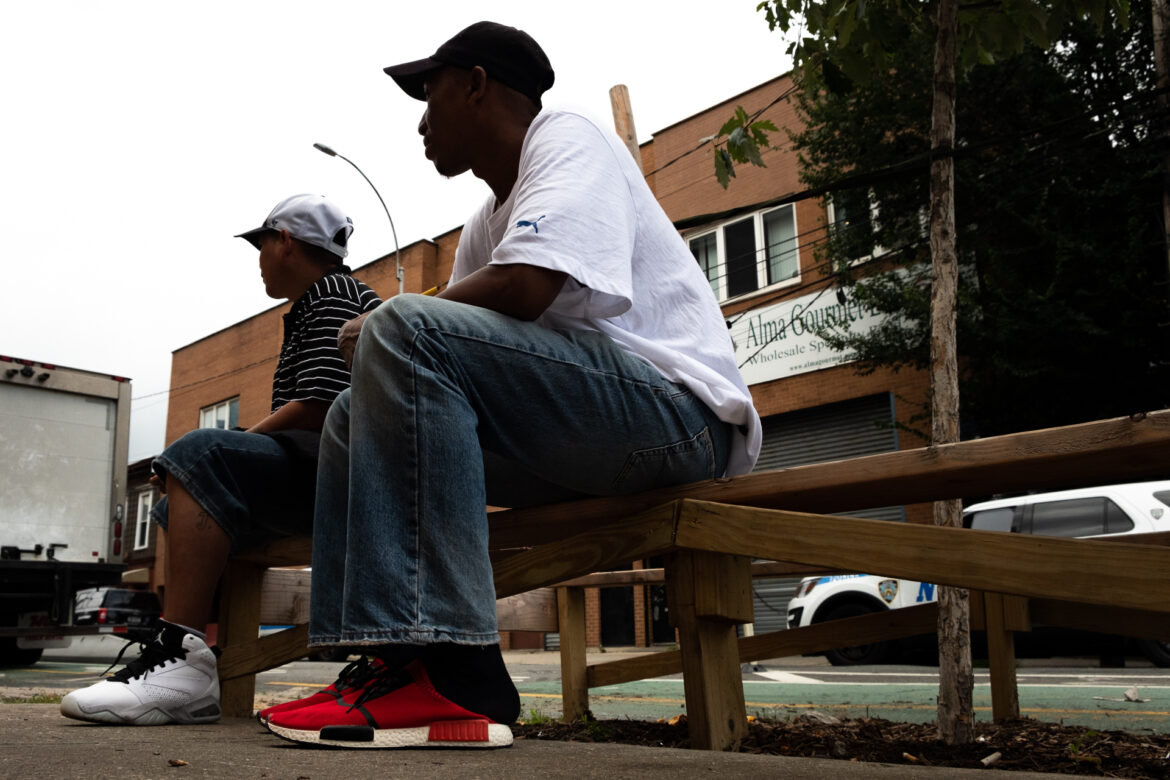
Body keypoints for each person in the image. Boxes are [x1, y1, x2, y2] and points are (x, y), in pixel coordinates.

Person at [262, 22, 762, 750]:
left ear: (476, 84)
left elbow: (527, 287)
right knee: (349, 412)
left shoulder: (569, 135)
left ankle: (462, 677)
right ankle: (394, 661)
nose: (421, 122)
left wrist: (388, 327)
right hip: (583, 438)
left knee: (402, 326)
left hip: (679, 420)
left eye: (429, 95)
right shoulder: (480, 227)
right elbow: (443, 357)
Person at [60, 194, 382, 726]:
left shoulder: (335, 292)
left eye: (260, 245)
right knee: (176, 502)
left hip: (342, 476)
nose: (257, 260)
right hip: (321, 474)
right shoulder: (315, 300)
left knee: (197, 453)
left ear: (284, 242)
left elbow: (319, 407)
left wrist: (228, 444)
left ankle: (182, 659)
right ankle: (181, 659)